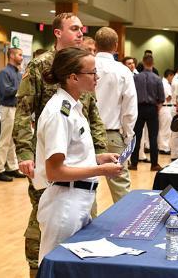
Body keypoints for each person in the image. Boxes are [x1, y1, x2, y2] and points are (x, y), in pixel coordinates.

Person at [13, 12, 109, 277]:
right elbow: (23, 110)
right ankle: (37, 270)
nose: (80, 33)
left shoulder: (83, 68)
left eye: (82, 29)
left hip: (77, 165)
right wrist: (24, 152)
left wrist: (98, 154)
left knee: (79, 241)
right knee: (44, 233)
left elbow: (93, 116)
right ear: (58, 32)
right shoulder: (41, 67)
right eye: (75, 28)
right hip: (53, 160)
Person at [36, 47, 122, 263]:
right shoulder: (59, 112)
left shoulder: (73, 107)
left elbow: (71, 157)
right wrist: (101, 170)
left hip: (79, 198)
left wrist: (98, 159)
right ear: (73, 77)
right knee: (58, 267)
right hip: (65, 203)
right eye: (92, 73)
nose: (97, 77)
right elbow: (54, 170)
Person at [94, 27, 138, 202]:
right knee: (120, 186)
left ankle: (86, 227)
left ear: (95, 45)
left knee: (84, 185)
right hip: (112, 134)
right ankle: (125, 225)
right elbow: (129, 108)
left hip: (85, 135)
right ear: (116, 46)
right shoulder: (123, 71)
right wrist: (128, 134)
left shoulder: (84, 65)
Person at [0, 47, 26, 182]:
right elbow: (7, 91)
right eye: (19, 55)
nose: (22, 57)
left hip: (16, 108)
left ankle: (12, 167)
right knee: (4, 140)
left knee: (13, 140)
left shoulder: (18, 73)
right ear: (12, 56)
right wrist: (23, 85)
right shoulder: (4, 73)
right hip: (7, 108)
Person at [130, 55, 165, 171]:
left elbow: (132, 95)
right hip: (152, 108)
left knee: (137, 136)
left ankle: (134, 163)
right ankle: (154, 164)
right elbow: (161, 98)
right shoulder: (157, 79)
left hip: (138, 108)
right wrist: (156, 110)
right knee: (153, 137)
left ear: (143, 63)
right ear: (153, 63)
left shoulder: (136, 78)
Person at [158, 69, 174, 154]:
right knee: (165, 129)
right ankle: (164, 147)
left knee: (163, 128)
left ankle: (163, 146)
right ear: (170, 75)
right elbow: (168, 97)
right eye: (172, 76)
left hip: (164, 108)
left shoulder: (163, 82)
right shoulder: (165, 84)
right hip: (165, 107)